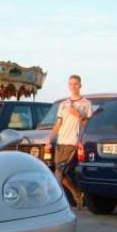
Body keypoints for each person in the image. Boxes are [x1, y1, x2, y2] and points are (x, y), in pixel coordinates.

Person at [45, 75, 93, 209]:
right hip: (61, 141)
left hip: (73, 142)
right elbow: (58, 123)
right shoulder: (63, 104)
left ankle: (55, 202)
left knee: (59, 171)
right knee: (62, 173)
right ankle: (77, 194)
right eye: (71, 84)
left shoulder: (86, 104)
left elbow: (87, 124)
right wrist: (50, 138)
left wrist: (77, 113)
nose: (73, 86)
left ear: (80, 85)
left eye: (76, 84)